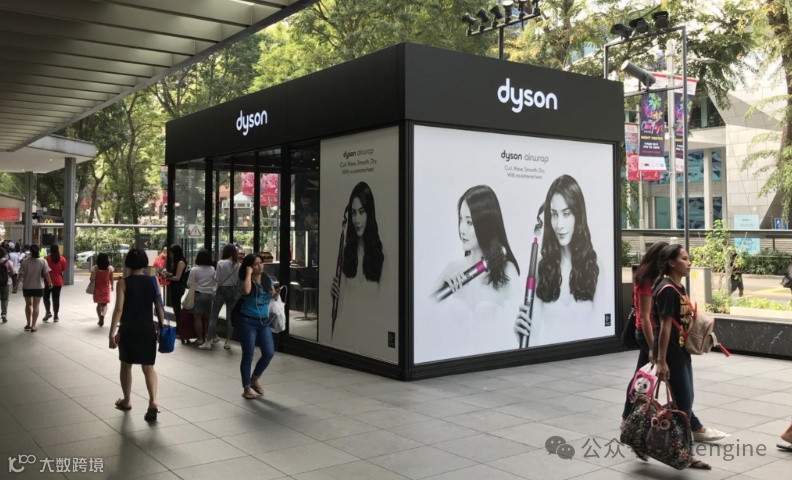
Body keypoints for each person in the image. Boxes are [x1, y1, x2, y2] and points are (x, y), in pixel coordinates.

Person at [653, 243, 727, 469]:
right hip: (671, 355)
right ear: (671, 262)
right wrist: (661, 361)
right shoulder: (667, 289)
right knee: (684, 403)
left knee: (683, 401)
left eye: (688, 258)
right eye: (684, 259)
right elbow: (664, 327)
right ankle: (684, 453)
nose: (689, 263)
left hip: (681, 352)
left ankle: (653, 433)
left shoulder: (678, 287)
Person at [515, 174, 602, 346]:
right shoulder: (541, 268)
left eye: (566, 214)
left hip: (587, 357)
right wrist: (522, 335)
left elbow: (601, 329)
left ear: (578, 215)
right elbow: (533, 336)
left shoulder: (595, 266)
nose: (559, 225)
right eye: (554, 215)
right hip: (548, 358)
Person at [433, 184, 520, 306]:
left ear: (486, 225)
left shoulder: (507, 271)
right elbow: (423, 310)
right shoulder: (452, 269)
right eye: (461, 219)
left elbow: (523, 314)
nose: (462, 229)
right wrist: (440, 287)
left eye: (469, 222)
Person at [108, 249, 165, 422]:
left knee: (126, 365)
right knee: (148, 367)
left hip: (129, 330)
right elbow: (159, 306)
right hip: (147, 329)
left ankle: (126, 400)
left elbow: (119, 309)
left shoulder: (123, 283)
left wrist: (111, 333)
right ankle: (153, 401)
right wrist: (161, 328)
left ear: (128, 263)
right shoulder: (153, 280)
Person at [330, 182, 390, 335]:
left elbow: (386, 305)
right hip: (347, 329)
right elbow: (339, 311)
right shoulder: (347, 252)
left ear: (370, 213)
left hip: (373, 331)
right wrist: (336, 296)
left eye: (362, 212)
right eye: (353, 213)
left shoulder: (381, 255)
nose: (356, 220)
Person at [620, 241, 667, 425]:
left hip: (649, 333)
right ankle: (628, 416)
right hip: (647, 333)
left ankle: (627, 416)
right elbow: (645, 318)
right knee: (644, 378)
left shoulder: (654, 277)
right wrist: (652, 347)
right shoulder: (647, 281)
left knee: (640, 377)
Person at [237, 253, 278, 399]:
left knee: (269, 352)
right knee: (248, 355)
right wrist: (248, 274)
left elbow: (272, 295)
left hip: (263, 322)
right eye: (256, 264)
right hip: (247, 321)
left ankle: (254, 378)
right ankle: (246, 387)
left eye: (261, 263)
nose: (260, 266)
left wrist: (275, 295)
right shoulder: (244, 280)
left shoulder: (267, 279)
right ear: (249, 266)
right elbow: (246, 291)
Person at [14, 244, 52, 332]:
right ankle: (33, 326)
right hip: (39, 286)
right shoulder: (43, 261)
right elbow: (46, 274)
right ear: (39, 251)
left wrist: (16, 285)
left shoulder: (25, 262)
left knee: (28, 305)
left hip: (27, 286)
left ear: (30, 251)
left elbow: (21, 275)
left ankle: (28, 324)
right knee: (36, 305)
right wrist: (50, 282)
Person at [210, 244, 240, 350]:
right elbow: (238, 280)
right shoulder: (238, 265)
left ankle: (209, 339)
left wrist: (213, 291)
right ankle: (228, 341)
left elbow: (216, 278)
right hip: (233, 291)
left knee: (214, 316)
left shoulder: (221, 263)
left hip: (221, 290)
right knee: (229, 317)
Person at [190, 248, 216, 348]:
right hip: (209, 295)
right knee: (208, 318)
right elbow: (215, 281)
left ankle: (200, 338)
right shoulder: (212, 269)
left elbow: (189, 283)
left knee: (197, 317)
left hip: (198, 294)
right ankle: (209, 337)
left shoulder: (195, 269)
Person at [162, 244, 187, 343]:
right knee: (175, 307)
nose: (170, 255)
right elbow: (175, 274)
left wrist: (166, 277)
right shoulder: (177, 261)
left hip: (178, 287)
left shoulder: (181, 262)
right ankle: (179, 329)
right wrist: (168, 274)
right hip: (175, 286)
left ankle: (180, 329)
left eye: (171, 253)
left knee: (177, 308)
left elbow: (177, 277)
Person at [43, 244, 67, 322]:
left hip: (48, 281)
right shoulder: (62, 259)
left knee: (46, 297)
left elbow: (44, 270)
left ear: (50, 249)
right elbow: (63, 269)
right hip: (58, 282)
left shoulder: (47, 259)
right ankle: (56, 316)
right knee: (56, 298)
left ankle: (48, 312)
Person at [92, 253, 114, 327]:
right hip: (106, 289)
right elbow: (111, 279)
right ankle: (103, 316)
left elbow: (91, 278)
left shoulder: (95, 268)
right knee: (104, 305)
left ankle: (99, 318)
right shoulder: (110, 268)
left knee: (98, 304)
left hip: (97, 288)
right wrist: (112, 286)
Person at [0, 247, 14, 323]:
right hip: (5, 282)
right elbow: (12, 272)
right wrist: (6, 274)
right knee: (4, 298)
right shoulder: (7, 262)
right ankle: (4, 314)